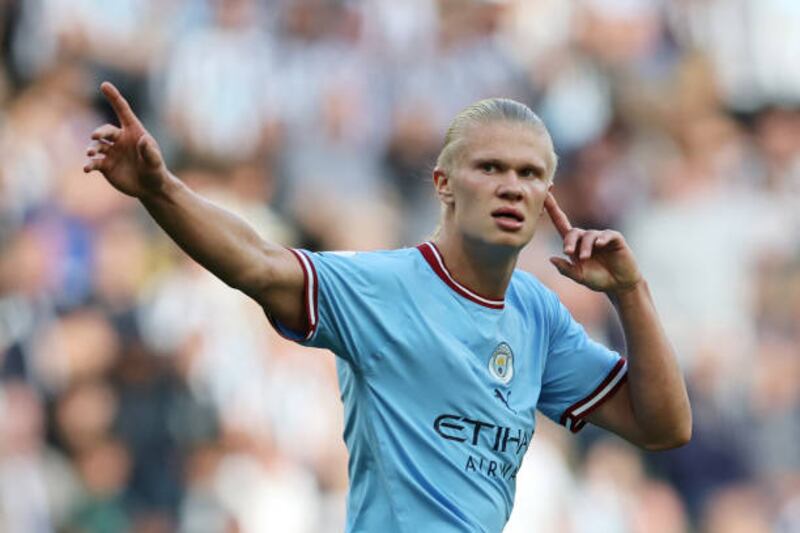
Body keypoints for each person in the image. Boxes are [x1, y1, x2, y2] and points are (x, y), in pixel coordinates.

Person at [83, 82, 691, 533]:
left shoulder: (538, 315)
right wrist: (161, 191)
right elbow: (256, 262)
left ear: (546, 198)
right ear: (443, 183)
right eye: (491, 167)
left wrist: (629, 292)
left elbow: (664, 427)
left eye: (530, 173)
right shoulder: (385, 287)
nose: (512, 185)